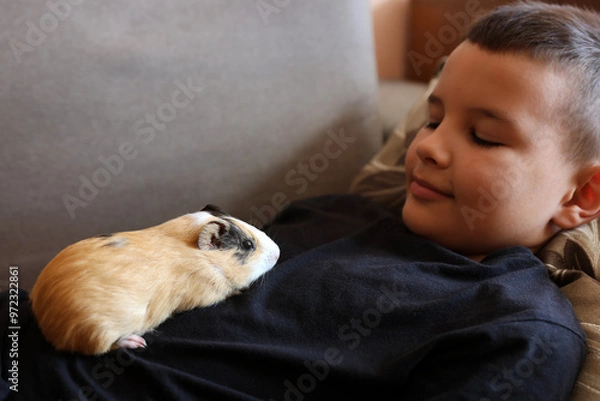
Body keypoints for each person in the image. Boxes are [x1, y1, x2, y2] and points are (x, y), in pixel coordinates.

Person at [1, 2, 598, 400]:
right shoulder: (335, 211)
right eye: (432, 118)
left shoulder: (515, 329)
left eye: (484, 136)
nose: (431, 148)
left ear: (582, 193)